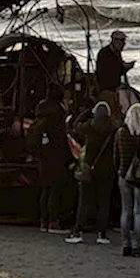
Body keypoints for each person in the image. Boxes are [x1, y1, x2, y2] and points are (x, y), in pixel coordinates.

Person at [66, 102, 117, 246]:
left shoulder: (89, 126)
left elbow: (75, 125)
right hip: (107, 169)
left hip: (89, 167)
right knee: (104, 203)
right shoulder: (114, 128)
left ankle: (77, 232)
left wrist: (87, 112)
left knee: (85, 202)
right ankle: (102, 234)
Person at [113, 103, 140, 257]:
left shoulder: (121, 133)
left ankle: (125, 244)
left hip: (124, 175)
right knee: (139, 211)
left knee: (126, 210)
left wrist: (120, 171)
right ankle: (137, 245)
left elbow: (115, 155)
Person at [28, 85, 71, 233]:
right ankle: (54, 221)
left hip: (42, 157)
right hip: (55, 156)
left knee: (45, 189)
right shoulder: (57, 116)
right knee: (55, 190)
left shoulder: (40, 113)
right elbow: (61, 140)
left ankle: (43, 221)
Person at [94, 30, 135, 117]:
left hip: (116, 86)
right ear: (115, 41)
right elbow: (109, 73)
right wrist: (124, 67)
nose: (124, 44)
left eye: (124, 41)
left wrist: (125, 67)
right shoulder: (105, 54)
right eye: (122, 41)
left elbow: (119, 71)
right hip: (107, 87)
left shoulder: (117, 53)